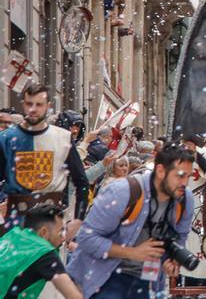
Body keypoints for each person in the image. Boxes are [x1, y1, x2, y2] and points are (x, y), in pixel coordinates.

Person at [67, 145, 195, 298]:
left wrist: (173, 261)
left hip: (147, 280)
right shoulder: (123, 191)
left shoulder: (185, 198)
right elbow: (86, 238)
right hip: (104, 277)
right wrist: (132, 253)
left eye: (189, 176)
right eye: (180, 176)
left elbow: (180, 236)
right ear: (160, 171)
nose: (185, 183)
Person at [0, 84, 89, 232]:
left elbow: (82, 182)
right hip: (14, 223)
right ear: (23, 104)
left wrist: (78, 219)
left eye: (39, 104)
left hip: (50, 223)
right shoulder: (6, 138)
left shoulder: (63, 138)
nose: (33, 109)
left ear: (48, 106)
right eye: (29, 104)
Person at [0, 203, 83, 299]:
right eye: (60, 231)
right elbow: (73, 296)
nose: (63, 237)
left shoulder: (13, 235)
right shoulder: (44, 253)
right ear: (43, 232)